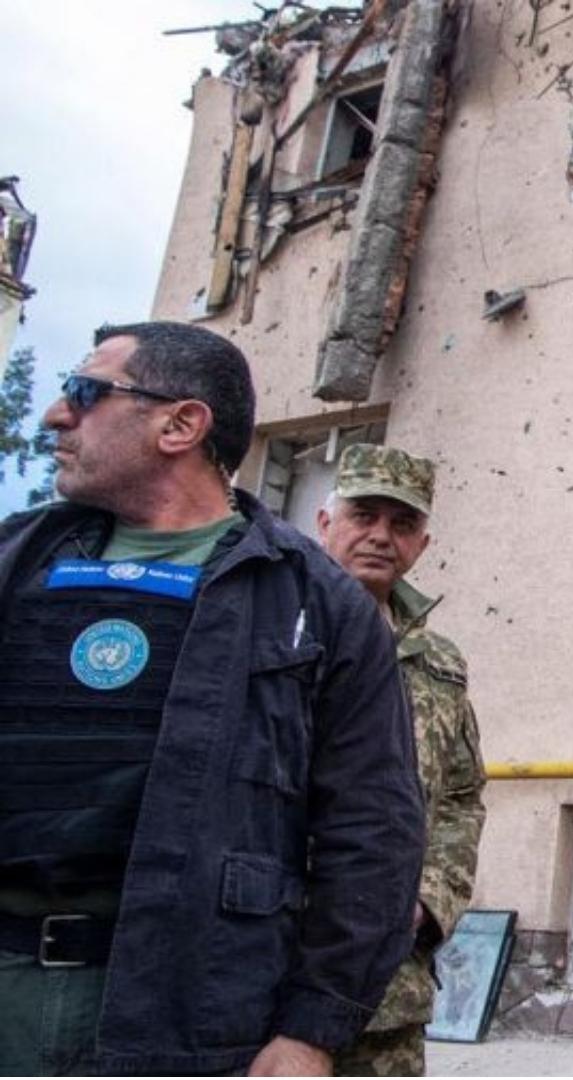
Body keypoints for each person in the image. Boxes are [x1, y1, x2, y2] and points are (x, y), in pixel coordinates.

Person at [0, 322, 423, 1075]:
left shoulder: (314, 604)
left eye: (87, 393)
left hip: (187, 1020)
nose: (56, 415)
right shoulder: (15, 562)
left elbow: (374, 835)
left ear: (181, 424)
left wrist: (312, 1032)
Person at [318, 445, 488, 1077]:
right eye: (364, 515)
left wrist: (430, 898)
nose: (380, 537)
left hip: (390, 986)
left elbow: (463, 795)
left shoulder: (437, 659)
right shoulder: (276, 626)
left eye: (402, 524)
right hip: (271, 968)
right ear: (325, 522)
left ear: (422, 543)